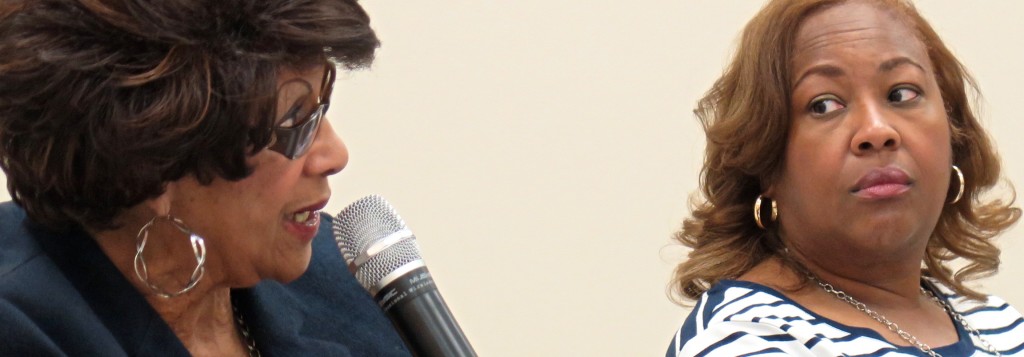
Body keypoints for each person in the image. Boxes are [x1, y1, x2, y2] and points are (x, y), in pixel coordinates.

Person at [0, 0, 411, 355]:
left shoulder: (339, 273)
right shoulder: (20, 330)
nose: (335, 155)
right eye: (294, 122)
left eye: (322, 105)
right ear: (152, 161)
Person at [666, 0, 1023, 356]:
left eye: (901, 93)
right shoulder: (744, 340)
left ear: (954, 131)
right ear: (764, 160)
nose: (877, 130)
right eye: (823, 104)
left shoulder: (997, 322)